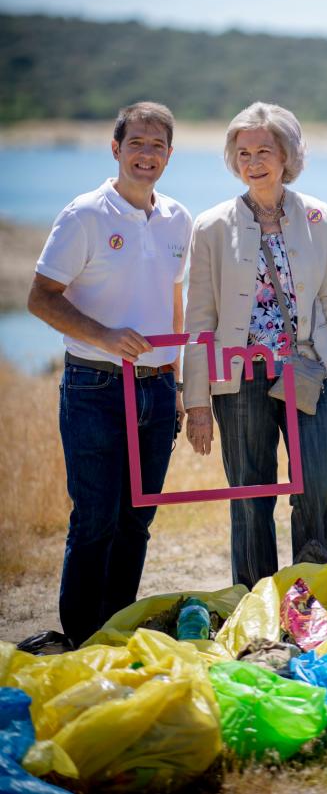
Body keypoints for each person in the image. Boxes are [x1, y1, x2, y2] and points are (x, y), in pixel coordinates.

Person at [27, 102, 192, 648]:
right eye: (136, 143)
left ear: (170, 154)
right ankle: (81, 642)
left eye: (157, 145)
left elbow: (175, 303)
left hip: (157, 389)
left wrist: (178, 383)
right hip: (94, 385)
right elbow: (40, 298)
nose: (147, 155)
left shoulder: (178, 219)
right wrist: (104, 336)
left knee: (137, 520)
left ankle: (116, 634)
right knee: (95, 518)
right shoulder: (84, 214)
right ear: (116, 148)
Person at [184, 102, 327, 589]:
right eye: (244, 153)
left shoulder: (319, 217)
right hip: (240, 376)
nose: (253, 162)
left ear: (287, 155)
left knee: (320, 482)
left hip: (310, 370)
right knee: (250, 495)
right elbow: (199, 318)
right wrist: (196, 402)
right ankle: (255, 598)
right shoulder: (211, 226)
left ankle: (310, 596)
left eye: (264, 151)